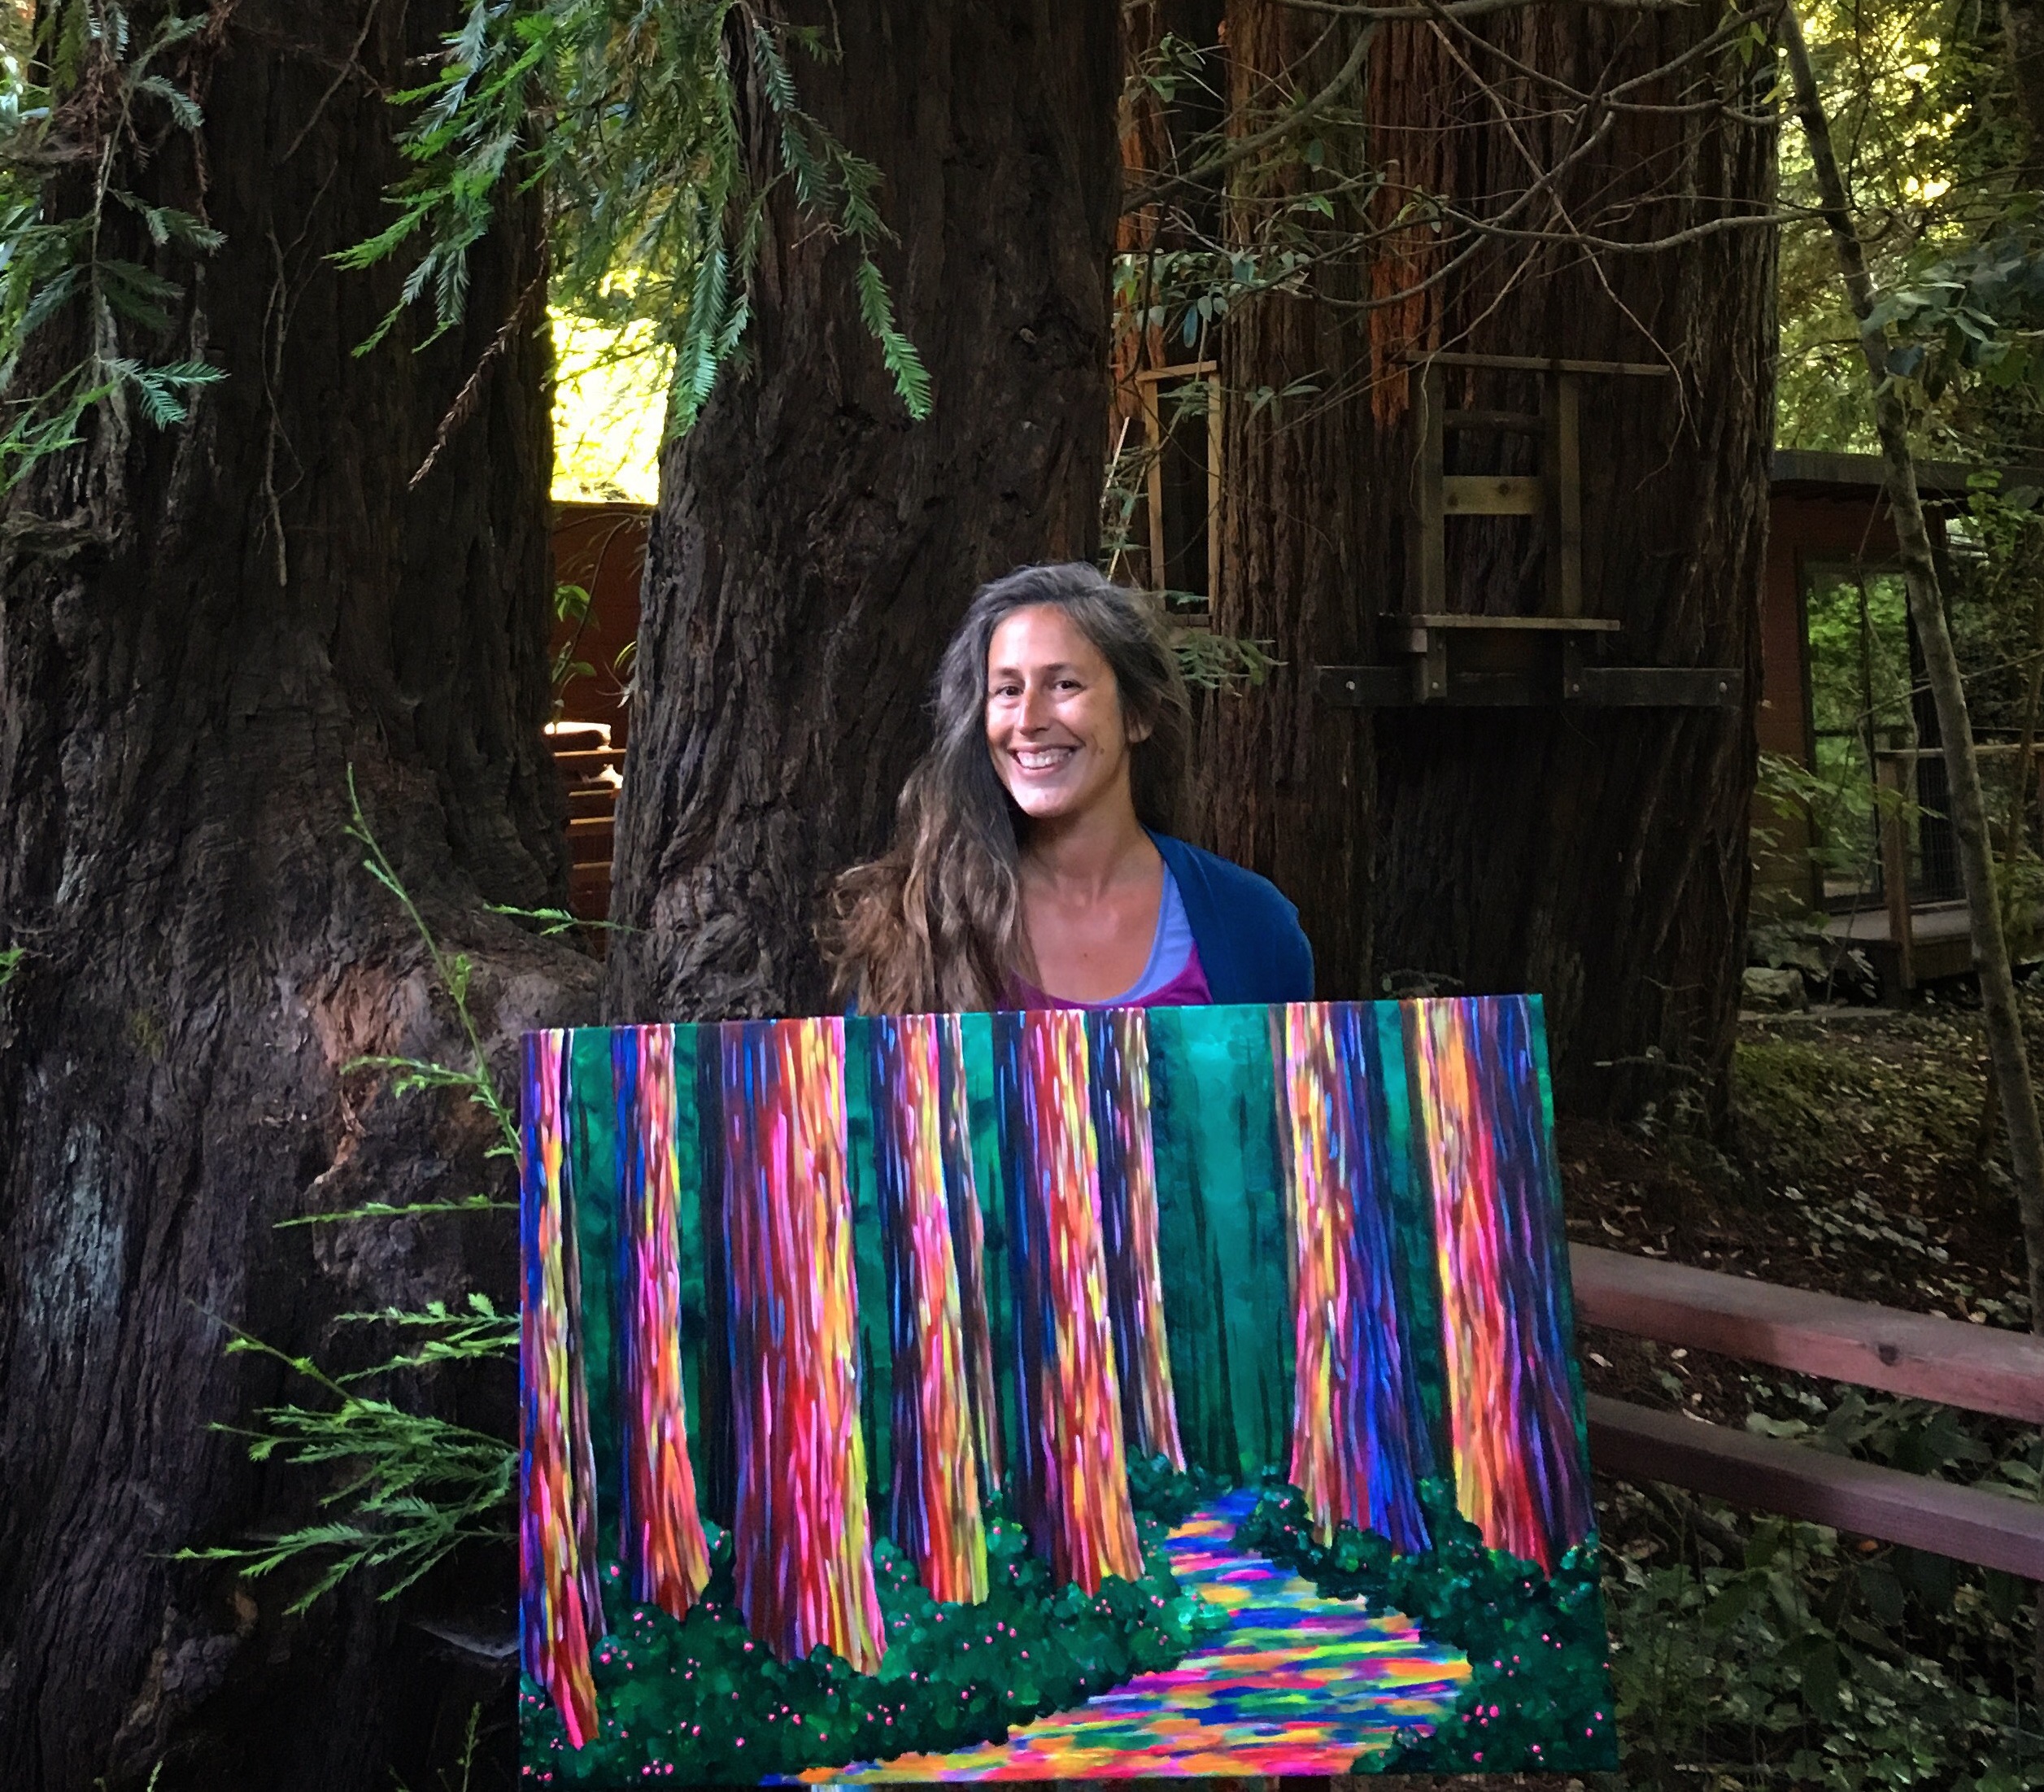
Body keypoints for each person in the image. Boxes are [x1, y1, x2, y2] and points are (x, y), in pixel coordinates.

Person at [823, 560, 1313, 1014]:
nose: (1029, 720)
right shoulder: (916, 928)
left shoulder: (1253, 927)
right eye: (1008, 690)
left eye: (1064, 685)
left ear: (1138, 714)